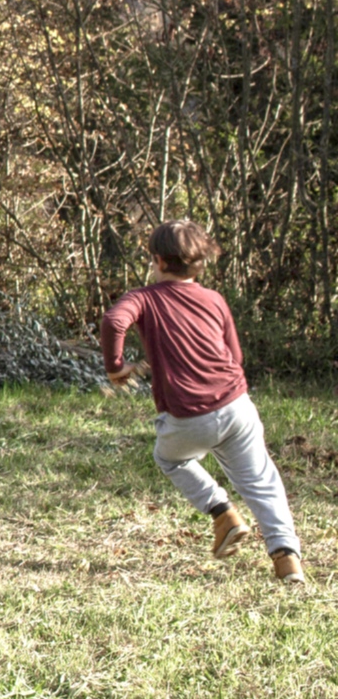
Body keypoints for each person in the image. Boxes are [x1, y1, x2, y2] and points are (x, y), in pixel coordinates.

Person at [102, 220, 305, 584]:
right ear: (198, 262)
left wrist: (116, 368)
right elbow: (236, 357)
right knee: (261, 481)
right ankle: (286, 557)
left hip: (187, 419)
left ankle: (222, 511)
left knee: (169, 458)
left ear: (159, 261)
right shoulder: (214, 299)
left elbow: (115, 321)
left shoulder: (143, 298)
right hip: (236, 406)